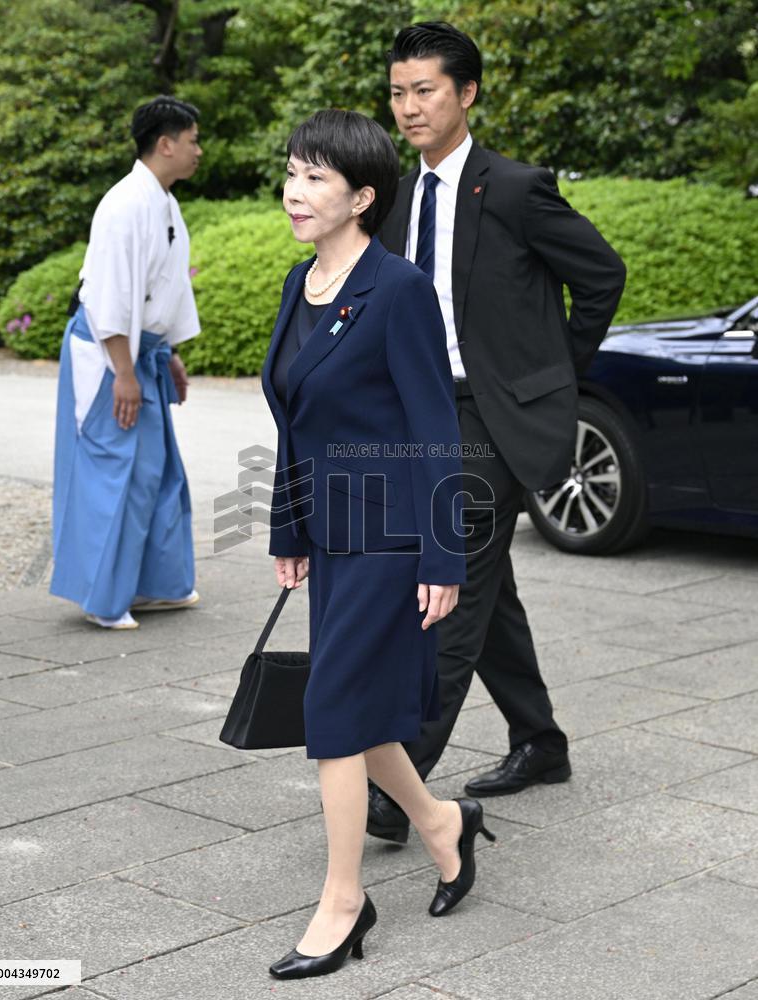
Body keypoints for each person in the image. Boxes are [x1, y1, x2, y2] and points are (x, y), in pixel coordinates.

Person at [368, 22, 627, 839]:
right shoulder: (396, 196)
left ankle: (398, 787)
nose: (409, 107)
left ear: (466, 93)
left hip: (487, 419)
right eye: (399, 92)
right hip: (420, 416)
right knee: (488, 594)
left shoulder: (513, 189)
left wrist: (546, 381)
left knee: (444, 596)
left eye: (426, 91)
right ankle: (539, 741)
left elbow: (600, 276)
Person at [262, 109, 494, 981]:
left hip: (394, 535)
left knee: (330, 717)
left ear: (362, 197)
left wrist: (443, 556)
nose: (295, 190)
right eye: (292, 171)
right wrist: (289, 524)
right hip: (329, 532)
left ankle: (342, 901)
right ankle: (442, 825)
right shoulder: (299, 283)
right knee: (352, 707)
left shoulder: (395, 289)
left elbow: (437, 429)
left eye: (317, 177)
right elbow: (293, 420)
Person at [50, 96, 203, 630]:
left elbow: (167, 293)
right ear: (165, 144)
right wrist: (124, 373)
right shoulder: (123, 204)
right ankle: (101, 596)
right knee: (113, 470)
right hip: (110, 353)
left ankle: (153, 585)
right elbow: (108, 296)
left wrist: (172, 356)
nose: (198, 151)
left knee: (155, 472)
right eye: (192, 141)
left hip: (145, 354)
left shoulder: (164, 202)